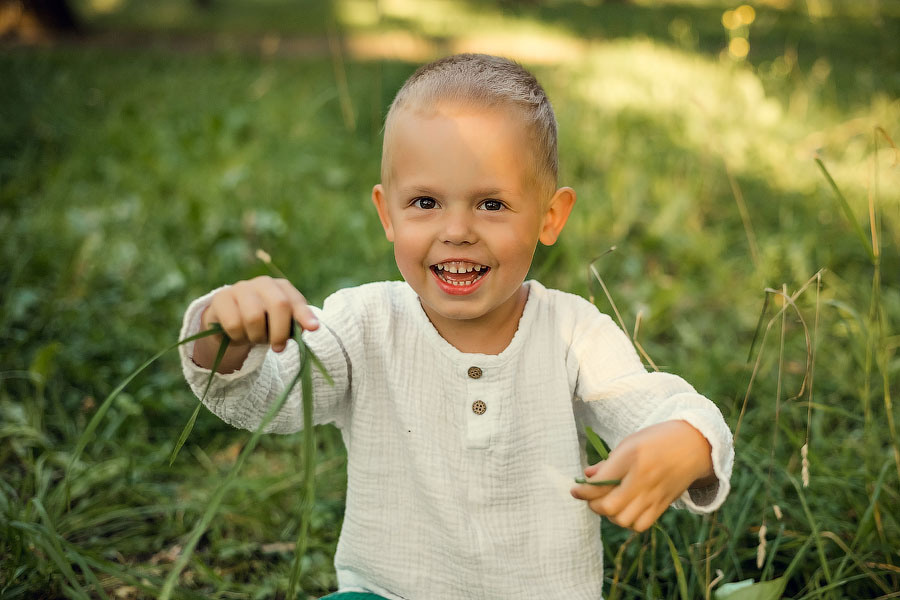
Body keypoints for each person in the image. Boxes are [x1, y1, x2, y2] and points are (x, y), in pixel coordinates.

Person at [178, 53, 733, 599]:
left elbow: (653, 405)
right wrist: (224, 332)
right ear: (387, 213)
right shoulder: (363, 325)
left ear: (550, 216)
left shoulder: (573, 333)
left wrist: (689, 441)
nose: (458, 231)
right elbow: (265, 399)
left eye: (491, 204)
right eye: (426, 202)